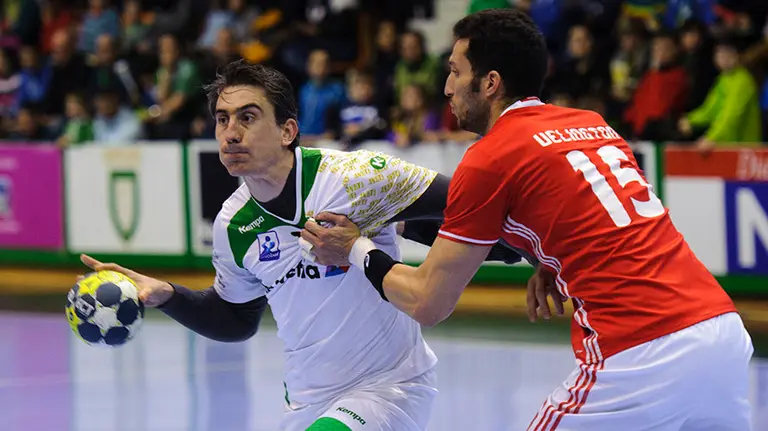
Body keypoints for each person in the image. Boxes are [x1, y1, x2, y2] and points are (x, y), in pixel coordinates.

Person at [300, 9, 753, 431]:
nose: (447, 88)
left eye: (455, 72)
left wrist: (355, 249)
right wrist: (550, 261)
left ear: (490, 82)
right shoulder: (591, 123)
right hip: (721, 331)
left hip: (639, 351)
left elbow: (427, 302)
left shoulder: (490, 157)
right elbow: (610, 223)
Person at [78, 59, 525, 431]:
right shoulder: (233, 223)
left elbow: (473, 207)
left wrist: (538, 257)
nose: (230, 133)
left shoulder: (356, 178)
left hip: (389, 388)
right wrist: (169, 296)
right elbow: (236, 319)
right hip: (307, 402)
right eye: (222, 119)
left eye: (247, 117)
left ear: (287, 130)